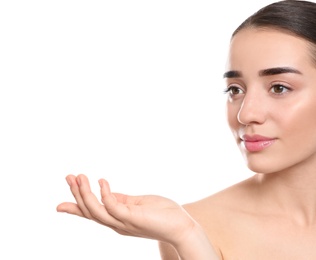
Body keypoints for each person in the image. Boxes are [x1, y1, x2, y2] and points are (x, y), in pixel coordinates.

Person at [56, 0, 316, 259]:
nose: (245, 113)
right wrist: (187, 237)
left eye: (279, 88)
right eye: (235, 90)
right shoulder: (196, 225)